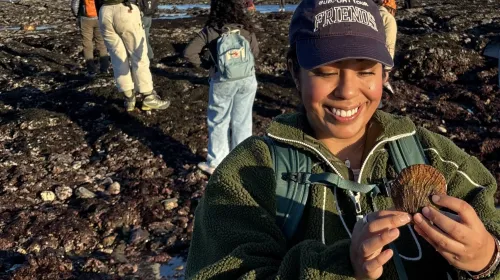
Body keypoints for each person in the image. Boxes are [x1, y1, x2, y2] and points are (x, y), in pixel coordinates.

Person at [185, 0, 500, 279]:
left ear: (384, 75)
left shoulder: (432, 154)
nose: (347, 91)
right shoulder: (249, 174)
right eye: (325, 71)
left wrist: (488, 257)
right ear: (294, 71)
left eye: (365, 71)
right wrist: (340, 267)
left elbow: (492, 222)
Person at [183, 0, 259, 175]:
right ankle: (242, 161)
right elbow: (255, 53)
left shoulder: (211, 31)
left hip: (222, 79)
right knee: (243, 120)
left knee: (218, 120)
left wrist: (207, 65)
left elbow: (189, 53)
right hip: (248, 79)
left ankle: (216, 163)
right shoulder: (246, 29)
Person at [95, 0, 170, 112]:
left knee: (117, 58)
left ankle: (129, 98)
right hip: (125, 8)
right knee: (138, 55)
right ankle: (148, 96)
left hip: (104, 11)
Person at [71, 0, 110, 78]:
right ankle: (104, 69)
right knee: (101, 44)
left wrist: (78, 15)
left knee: (87, 45)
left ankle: (91, 71)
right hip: (99, 17)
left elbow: (74, 5)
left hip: (85, 18)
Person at [378, 0, 397, 96]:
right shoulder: (389, 18)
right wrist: (387, 69)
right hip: (380, 61)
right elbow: (389, 44)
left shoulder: (370, 14)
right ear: (392, 10)